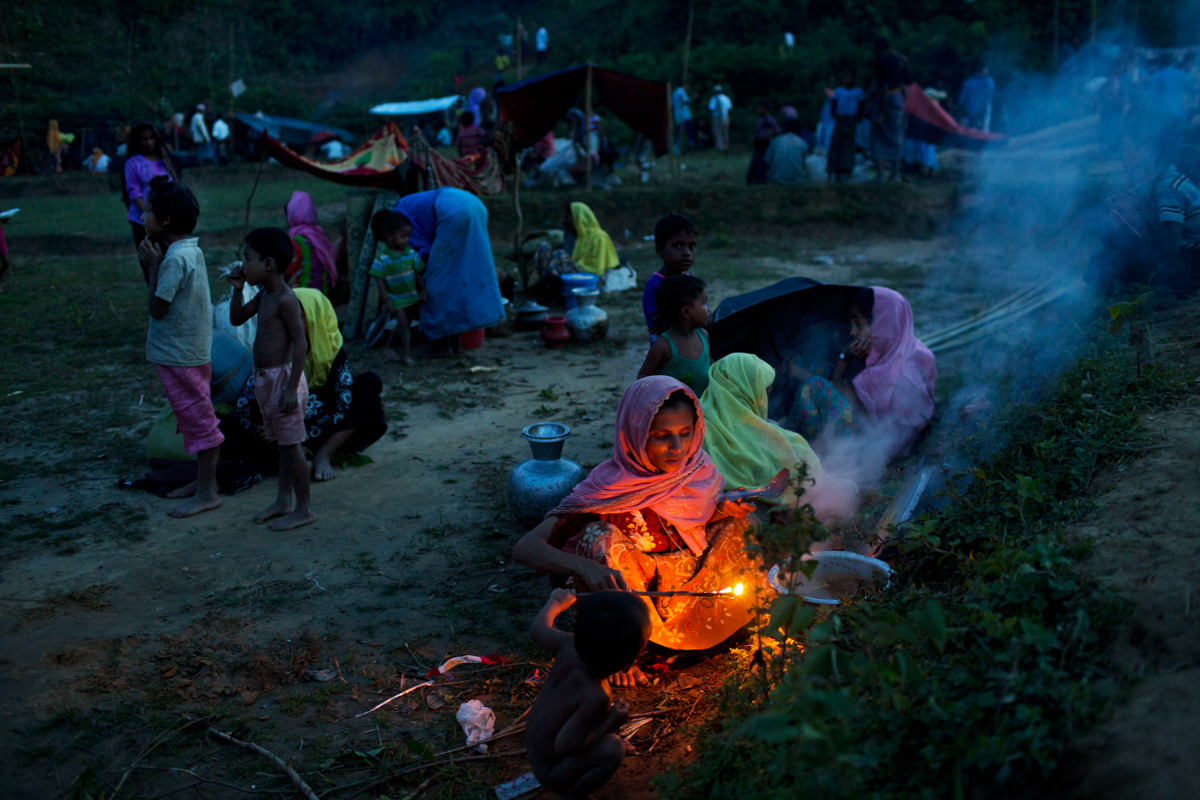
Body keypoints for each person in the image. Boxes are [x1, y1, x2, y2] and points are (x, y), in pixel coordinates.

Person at [512, 378, 762, 685]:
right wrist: (584, 566)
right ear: (635, 434)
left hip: (690, 593)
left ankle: (723, 625)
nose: (678, 448)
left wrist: (722, 511)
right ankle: (621, 648)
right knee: (598, 537)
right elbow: (525, 547)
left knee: (742, 525)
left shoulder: (699, 471)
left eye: (686, 433)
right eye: (662, 436)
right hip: (635, 599)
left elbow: (689, 529)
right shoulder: (608, 489)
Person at [229, 288, 387, 481]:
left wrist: (295, 423)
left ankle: (323, 454)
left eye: (298, 316)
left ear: (315, 318)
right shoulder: (274, 349)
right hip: (278, 432)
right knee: (230, 425)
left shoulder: (332, 351)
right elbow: (248, 401)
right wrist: (272, 427)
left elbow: (341, 403)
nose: (289, 322)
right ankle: (290, 453)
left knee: (370, 383)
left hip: (322, 427)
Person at [137, 176, 223, 518]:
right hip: (191, 352)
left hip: (180, 356)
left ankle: (208, 492)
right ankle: (203, 484)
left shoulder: (172, 260)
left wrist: (153, 266)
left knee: (201, 423)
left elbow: (158, 308)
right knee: (193, 418)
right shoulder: (191, 250)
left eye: (147, 213)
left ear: (166, 221)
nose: (143, 219)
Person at [228, 228, 316, 531]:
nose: (243, 264)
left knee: (293, 447)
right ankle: (283, 501)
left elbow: (301, 343)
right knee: (283, 444)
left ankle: (304, 508)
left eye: (246, 259)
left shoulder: (285, 300)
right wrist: (238, 289)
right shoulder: (265, 294)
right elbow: (237, 318)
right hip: (266, 380)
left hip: (283, 382)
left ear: (267, 263)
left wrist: (291, 388)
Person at [701, 353, 858, 520]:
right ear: (747, 394)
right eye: (763, 394)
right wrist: (851, 488)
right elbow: (813, 483)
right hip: (763, 521)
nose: (766, 401)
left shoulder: (700, 422)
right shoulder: (765, 440)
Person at [786, 287, 935, 460]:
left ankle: (802, 454)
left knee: (815, 386)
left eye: (859, 324)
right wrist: (844, 357)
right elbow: (835, 386)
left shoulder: (911, 367)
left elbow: (897, 434)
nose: (852, 332)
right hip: (862, 434)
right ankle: (805, 446)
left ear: (884, 325)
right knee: (823, 373)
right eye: (851, 324)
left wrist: (854, 402)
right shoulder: (880, 354)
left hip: (880, 452)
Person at [526, 589, 647, 798]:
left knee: (596, 733)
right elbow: (565, 745)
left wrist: (555, 602)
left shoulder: (567, 644)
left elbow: (537, 629)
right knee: (613, 749)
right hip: (552, 770)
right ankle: (574, 794)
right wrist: (611, 721)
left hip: (534, 744)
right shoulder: (596, 695)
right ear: (628, 665)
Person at [391, 188, 505, 353]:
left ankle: (440, 342)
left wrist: (417, 287)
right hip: (474, 204)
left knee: (436, 282)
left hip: (452, 211)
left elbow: (425, 257)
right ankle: (456, 341)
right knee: (461, 276)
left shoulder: (398, 220)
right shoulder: (406, 205)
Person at [638, 275, 711, 396]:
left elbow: (706, 362)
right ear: (686, 312)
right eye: (704, 303)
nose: (708, 308)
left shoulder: (703, 335)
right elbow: (643, 375)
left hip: (704, 407)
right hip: (675, 411)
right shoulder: (663, 345)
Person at [369, 210, 425, 364]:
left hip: (411, 295)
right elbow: (379, 280)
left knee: (403, 324)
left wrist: (423, 290)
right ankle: (405, 355)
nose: (406, 240)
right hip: (396, 299)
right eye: (402, 236)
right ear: (390, 236)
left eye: (408, 236)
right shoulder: (382, 258)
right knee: (404, 325)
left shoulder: (411, 254)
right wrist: (386, 300)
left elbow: (418, 273)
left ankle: (388, 347)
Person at [123, 121, 177, 263]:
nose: (149, 143)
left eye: (152, 138)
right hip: (143, 221)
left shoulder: (166, 160)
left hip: (167, 220)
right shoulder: (133, 163)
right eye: (144, 139)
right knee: (151, 263)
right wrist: (152, 215)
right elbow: (134, 193)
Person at [643, 214, 698, 337]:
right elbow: (668, 328)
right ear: (660, 250)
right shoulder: (655, 285)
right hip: (668, 353)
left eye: (692, 246)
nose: (687, 253)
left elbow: (706, 319)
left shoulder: (692, 283)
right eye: (678, 246)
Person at [870, 37, 911, 182]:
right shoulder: (900, 60)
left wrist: (880, 113)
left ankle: (881, 174)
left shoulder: (880, 61)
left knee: (878, 135)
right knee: (896, 135)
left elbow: (883, 87)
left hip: (886, 99)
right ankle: (895, 173)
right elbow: (908, 80)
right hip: (899, 98)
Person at [283, 191, 339, 295]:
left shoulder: (296, 242)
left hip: (301, 296)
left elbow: (286, 273)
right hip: (322, 294)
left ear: (292, 215)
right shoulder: (320, 238)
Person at [828, 68, 864, 182]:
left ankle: (846, 172)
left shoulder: (858, 93)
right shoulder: (838, 91)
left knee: (848, 148)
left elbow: (860, 111)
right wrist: (839, 124)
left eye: (849, 77)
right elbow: (833, 110)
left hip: (851, 121)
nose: (846, 79)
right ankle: (832, 171)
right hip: (840, 120)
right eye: (844, 76)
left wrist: (852, 125)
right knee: (835, 146)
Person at [568, 202, 618, 277]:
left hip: (597, 278)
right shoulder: (582, 237)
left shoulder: (599, 237)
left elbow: (597, 269)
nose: (564, 221)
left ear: (578, 218)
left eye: (567, 217)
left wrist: (575, 266)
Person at [764, 116, 809, 184]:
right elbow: (803, 164)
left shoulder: (776, 141)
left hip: (775, 180)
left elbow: (767, 161)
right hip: (796, 181)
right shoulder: (802, 143)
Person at [747, 101, 781, 184]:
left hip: (765, 144)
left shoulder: (769, 120)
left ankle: (761, 180)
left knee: (763, 163)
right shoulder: (760, 120)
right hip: (758, 144)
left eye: (759, 108)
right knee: (756, 163)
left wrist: (768, 135)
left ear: (765, 109)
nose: (757, 110)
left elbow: (777, 131)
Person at [958, 66, 995, 132]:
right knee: (988, 105)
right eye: (986, 69)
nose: (987, 70)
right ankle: (985, 130)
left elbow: (962, 100)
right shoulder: (988, 80)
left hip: (969, 112)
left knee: (970, 125)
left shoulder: (968, 81)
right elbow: (991, 93)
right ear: (983, 70)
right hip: (981, 113)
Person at [709, 85, 732, 152]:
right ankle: (726, 147)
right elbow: (730, 108)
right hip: (725, 117)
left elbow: (711, 108)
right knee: (725, 132)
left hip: (717, 117)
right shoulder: (726, 98)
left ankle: (720, 148)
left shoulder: (713, 98)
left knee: (717, 133)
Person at [672, 85, 693, 154]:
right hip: (684, 116)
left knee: (678, 133)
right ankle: (689, 148)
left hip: (677, 115)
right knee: (688, 132)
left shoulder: (674, 93)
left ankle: (677, 149)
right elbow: (686, 102)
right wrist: (694, 98)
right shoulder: (682, 92)